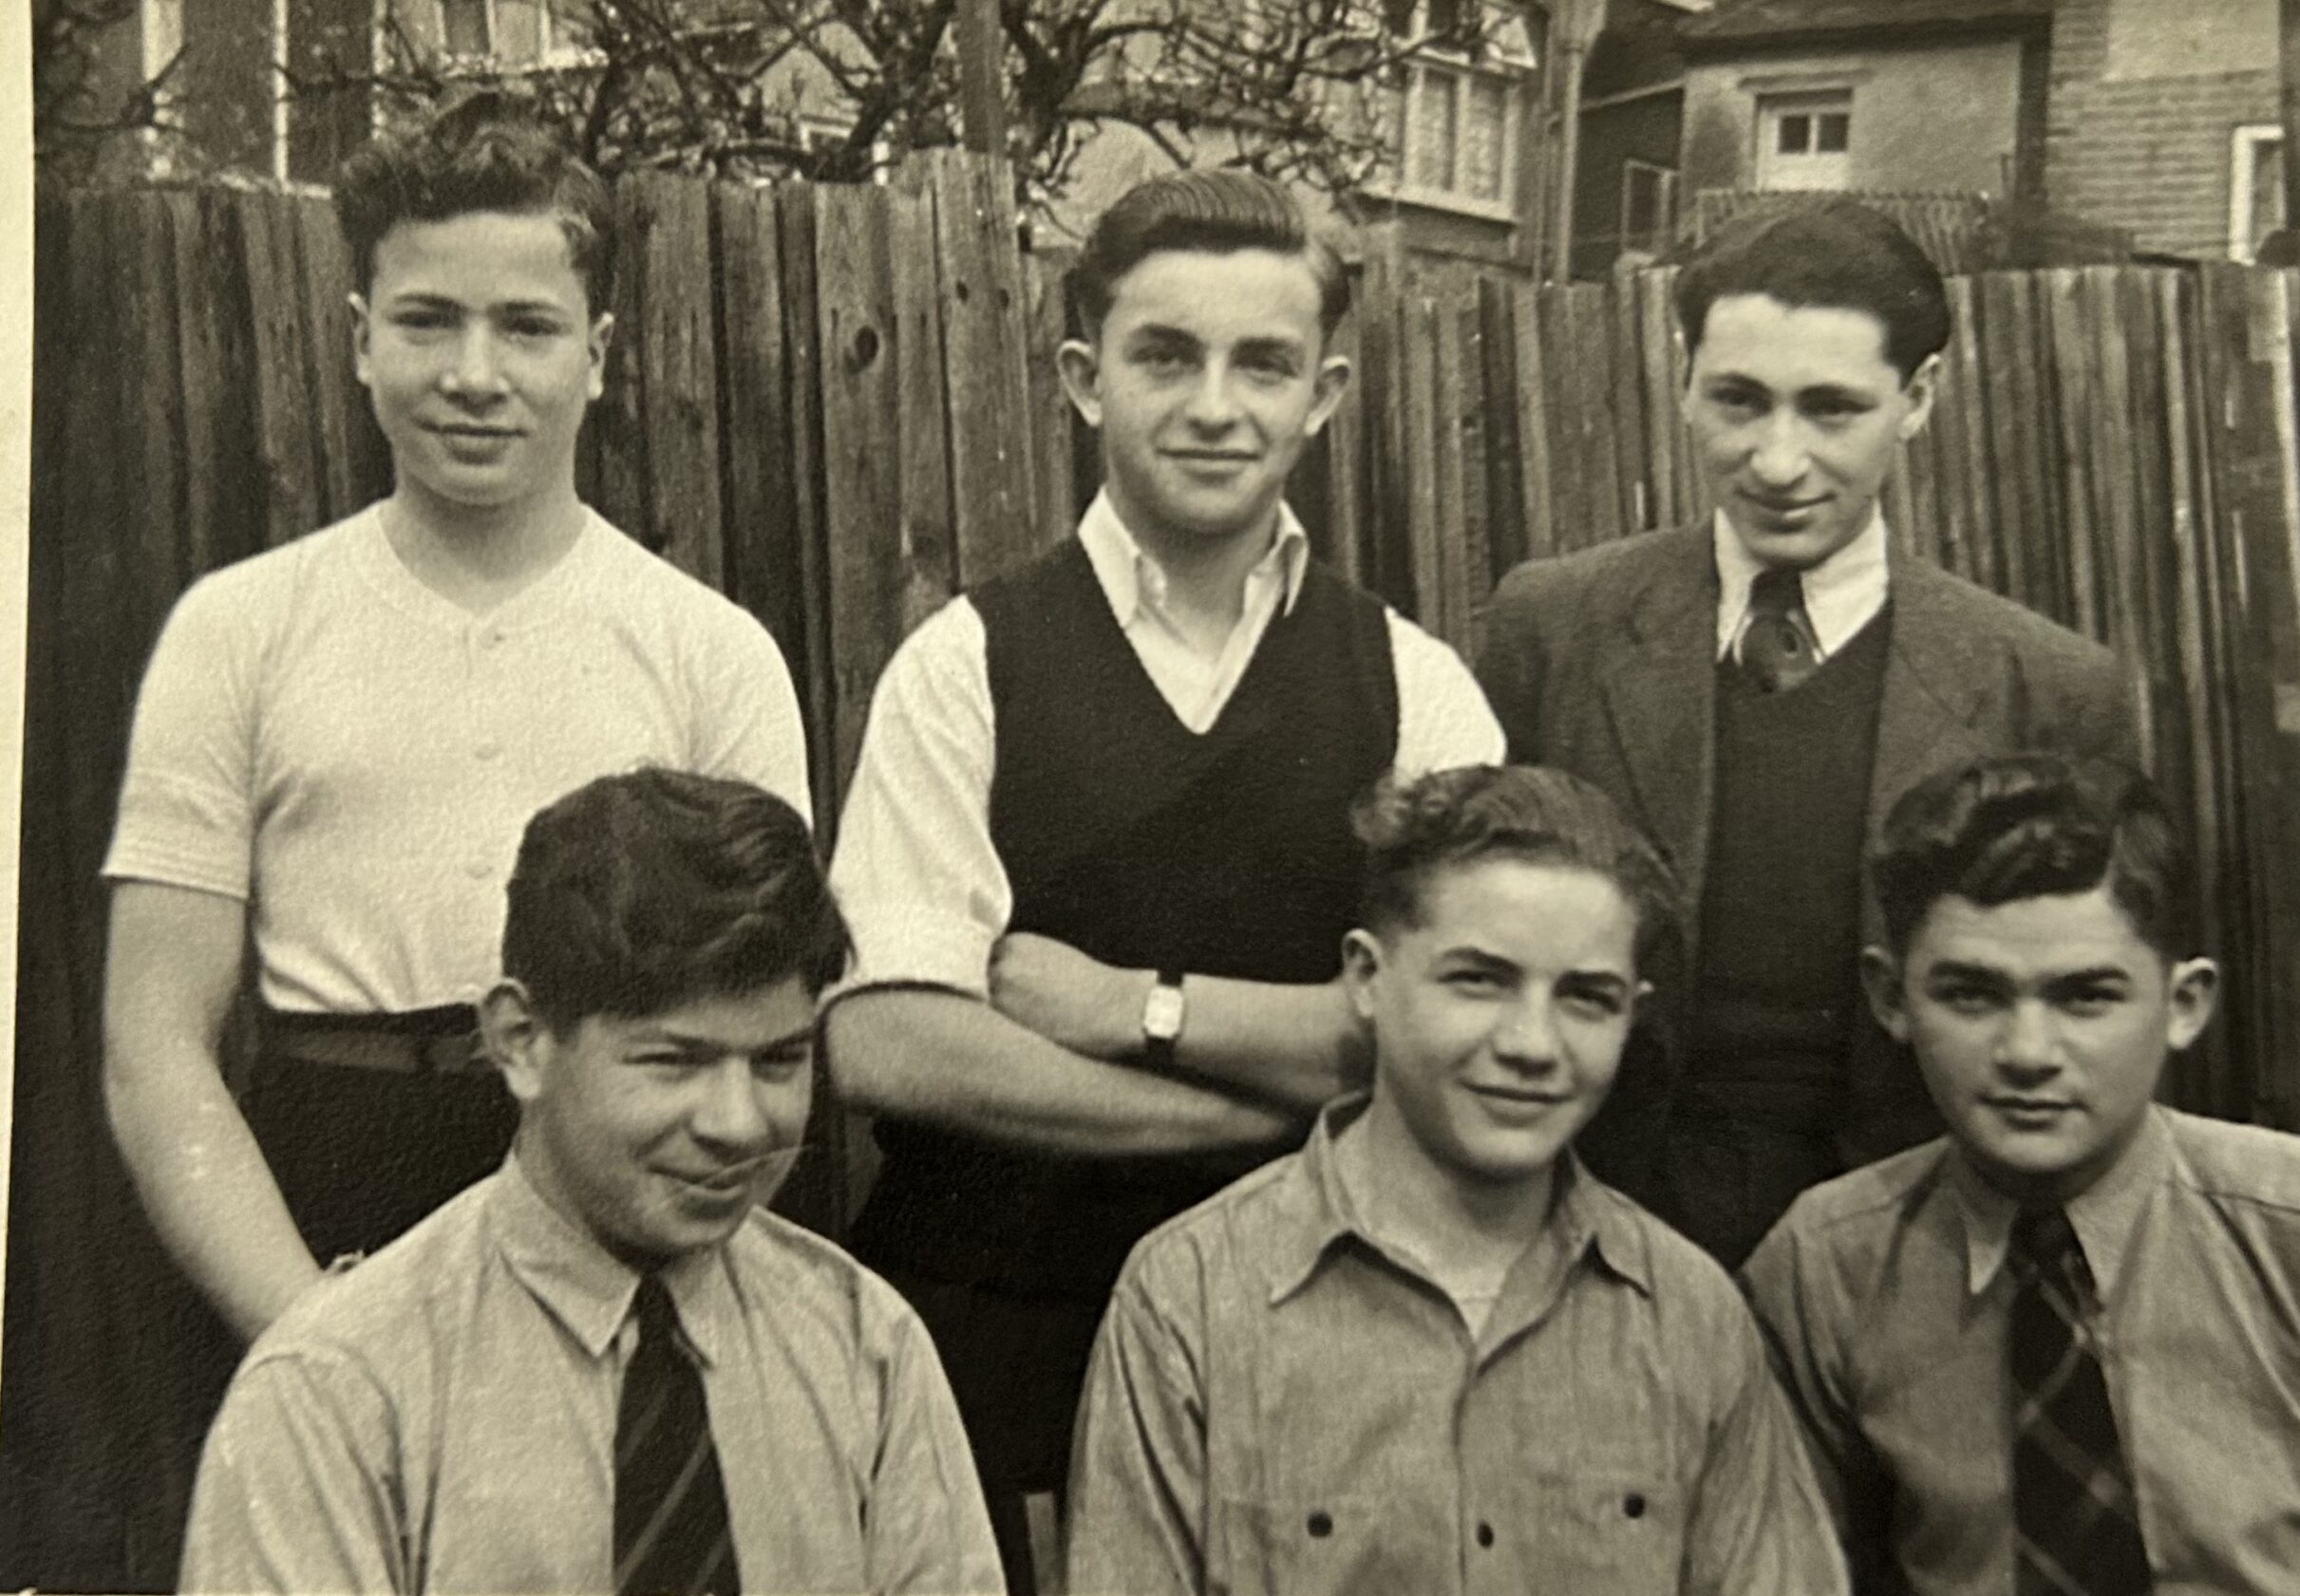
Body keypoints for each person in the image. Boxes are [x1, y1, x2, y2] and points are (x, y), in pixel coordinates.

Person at [821, 167, 1504, 1586]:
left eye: (1262, 364)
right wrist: (1261, 1118)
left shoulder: (1413, 684)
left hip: (1315, 1326)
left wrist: (1132, 1006)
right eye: (1165, 356)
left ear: (1322, 394)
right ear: (1086, 378)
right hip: (986, 1323)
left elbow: (1467, 1030)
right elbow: (890, 1040)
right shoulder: (966, 664)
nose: (1214, 405)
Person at [101, 95, 811, 1343]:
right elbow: (153, 1044)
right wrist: (306, 1329)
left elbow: (757, 1038)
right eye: (427, 320)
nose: (473, 376)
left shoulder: (709, 651)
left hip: (619, 1187)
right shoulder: (239, 629)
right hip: (322, 1191)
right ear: (361, 339)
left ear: (596, 354)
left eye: (526, 327)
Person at [1479, 199, 2138, 1268]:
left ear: (1918, 398)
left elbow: (2085, 1024)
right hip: (1583, 1225)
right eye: (1739, 401)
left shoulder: (2046, 687)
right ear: (1684, 381)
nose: (1777, 462)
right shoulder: (1553, 626)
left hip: (1915, 1248)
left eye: (1831, 410)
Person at [180, 769, 1000, 1596]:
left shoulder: (867, 1347)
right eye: (674, 1060)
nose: (739, 1122)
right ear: (521, 1040)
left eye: (779, 1060)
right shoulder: (338, 1390)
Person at [1064, 764, 1845, 1595]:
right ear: (1367, 978)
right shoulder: (1188, 1297)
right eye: (1480, 979)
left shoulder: (1693, 1315)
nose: (1532, 1043)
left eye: (1587, 997)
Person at [1743, 752, 2300, 1595]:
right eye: (1971, 994)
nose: (2028, 1052)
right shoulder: (1824, 1267)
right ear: (1891, 998)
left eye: (2086, 996)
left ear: (2184, 1004)